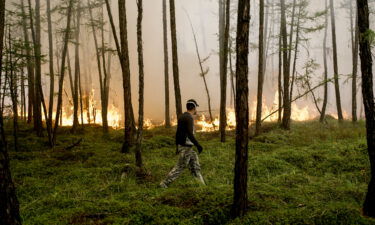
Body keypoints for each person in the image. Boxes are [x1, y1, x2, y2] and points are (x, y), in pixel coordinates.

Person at [159, 99, 206, 188]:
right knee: (180, 166)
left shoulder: (182, 117)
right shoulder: (189, 118)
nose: (196, 110)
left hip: (187, 147)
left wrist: (177, 146)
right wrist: (198, 145)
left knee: (195, 167)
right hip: (186, 147)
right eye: (195, 107)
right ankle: (164, 184)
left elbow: (178, 133)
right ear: (193, 107)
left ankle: (201, 186)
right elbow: (189, 133)